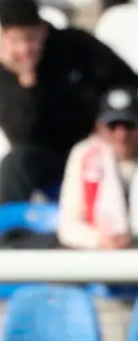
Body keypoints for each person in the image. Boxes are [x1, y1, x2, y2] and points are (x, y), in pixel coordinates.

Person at [0, 0, 138, 205]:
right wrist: (26, 83)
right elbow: (20, 136)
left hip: (101, 143)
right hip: (53, 156)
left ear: (42, 30)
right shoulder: (2, 76)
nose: (24, 49)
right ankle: (11, 233)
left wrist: (111, 125)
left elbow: (127, 83)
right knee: (14, 164)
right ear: (3, 39)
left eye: (30, 38)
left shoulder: (77, 46)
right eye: (15, 41)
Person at [57, 87, 138, 250]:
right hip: (96, 257)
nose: (121, 135)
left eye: (129, 125)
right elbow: (68, 225)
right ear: (99, 127)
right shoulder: (84, 156)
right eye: (113, 125)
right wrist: (100, 240)